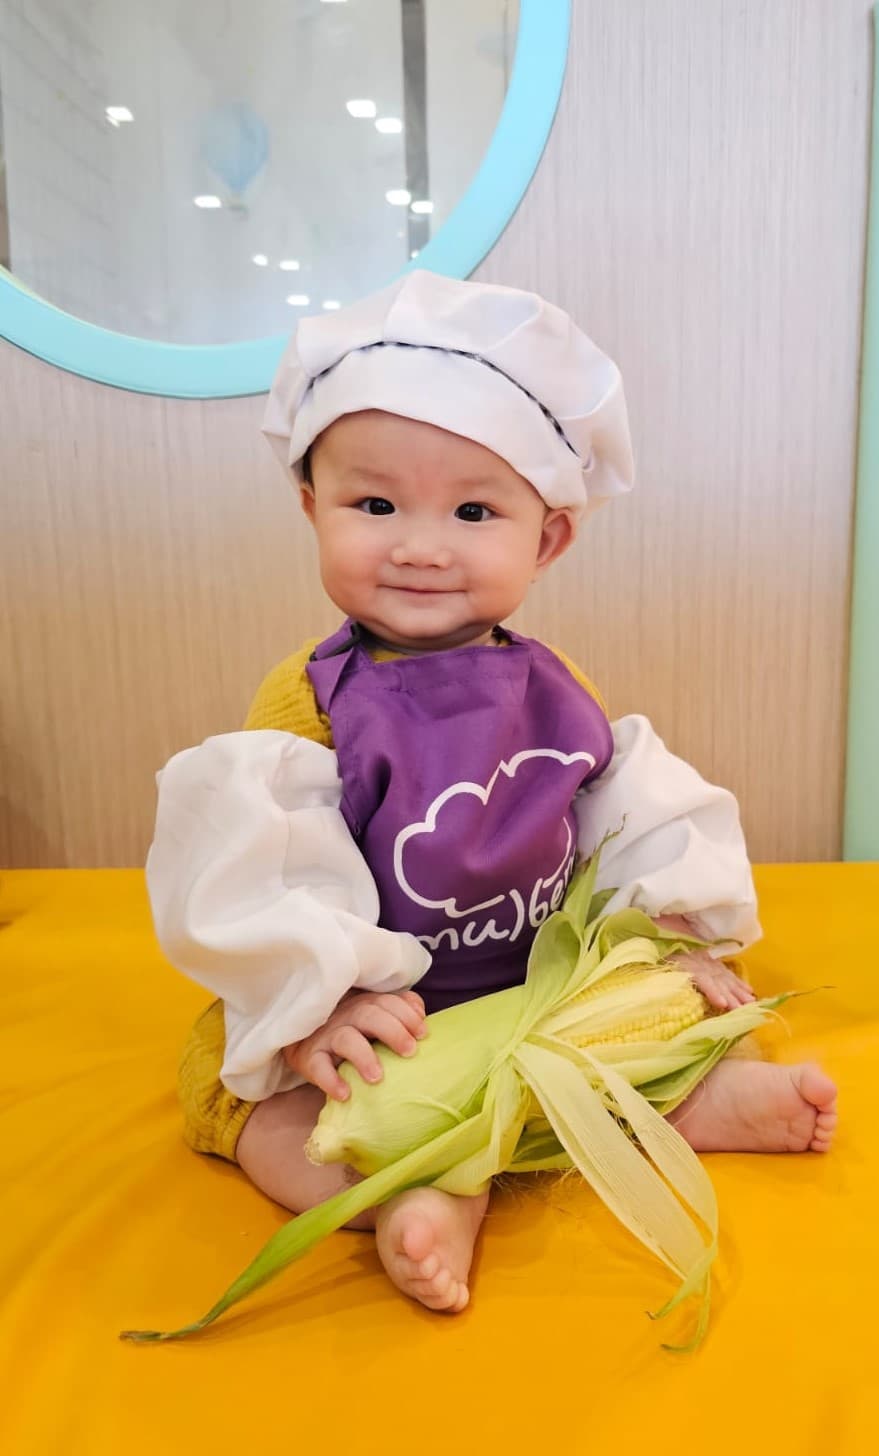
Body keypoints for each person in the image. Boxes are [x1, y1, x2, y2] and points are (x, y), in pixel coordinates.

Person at [147, 270, 837, 1317]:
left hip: (533, 991)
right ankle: (409, 1189)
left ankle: (695, 1102)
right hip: (389, 1028)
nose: (421, 544)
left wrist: (678, 933)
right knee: (261, 1110)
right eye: (374, 504)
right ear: (310, 507)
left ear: (548, 537)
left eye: (474, 509)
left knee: (646, 1031)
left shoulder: (560, 693)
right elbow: (264, 863)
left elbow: (630, 815)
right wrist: (319, 998)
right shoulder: (311, 701)